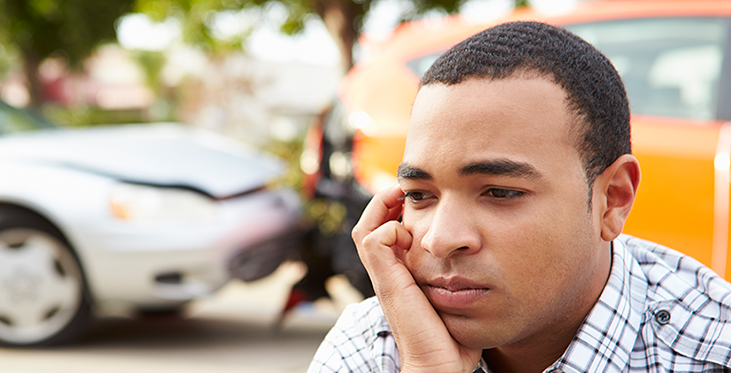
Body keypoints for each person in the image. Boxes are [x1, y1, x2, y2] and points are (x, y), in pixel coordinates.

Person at [307, 21, 731, 373]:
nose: (439, 239)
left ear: (613, 199)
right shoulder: (375, 345)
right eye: (419, 195)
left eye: (501, 191)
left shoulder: (711, 352)